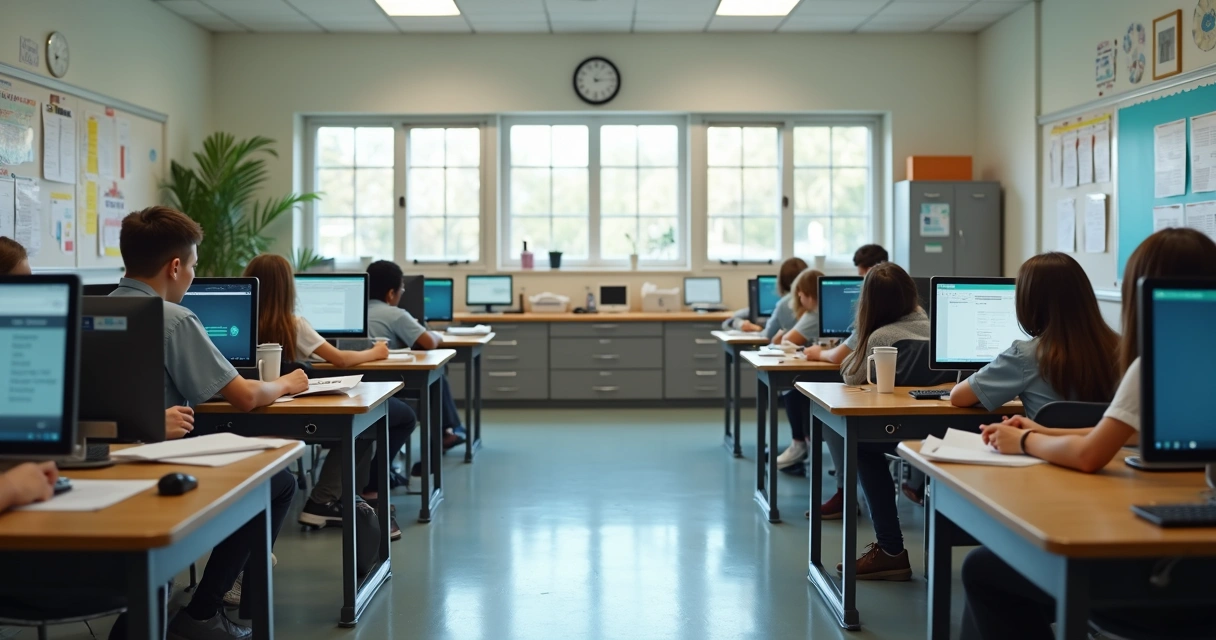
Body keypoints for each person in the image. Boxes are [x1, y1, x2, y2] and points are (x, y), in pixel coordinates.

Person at [963, 228, 1216, 640]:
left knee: (981, 569)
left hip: (1171, 590)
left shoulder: (1155, 363)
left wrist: (1024, 440)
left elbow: (1089, 456)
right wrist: (1045, 428)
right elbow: (1132, 433)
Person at [109, 206, 306, 640]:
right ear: (175, 266)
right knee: (279, 483)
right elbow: (245, 397)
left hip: (103, 459)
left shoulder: (93, 309)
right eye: (194, 266)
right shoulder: (174, 319)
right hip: (158, 462)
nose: (194, 276)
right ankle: (203, 612)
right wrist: (289, 382)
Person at [241, 254, 413, 539]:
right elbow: (341, 360)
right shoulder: (293, 324)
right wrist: (376, 352)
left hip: (258, 416)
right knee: (363, 423)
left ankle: (340, 496)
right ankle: (331, 498)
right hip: (301, 415)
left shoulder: (241, 322)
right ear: (288, 288)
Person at [834, 262, 930, 579]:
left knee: (862, 446)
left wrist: (863, 332)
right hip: (944, 429)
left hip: (898, 429)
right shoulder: (933, 325)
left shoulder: (883, 335)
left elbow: (850, 374)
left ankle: (891, 549)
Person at [950, 252, 1119, 417]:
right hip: (1113, 446)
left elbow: (958, 397)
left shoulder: (1026, 356)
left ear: (1029, 304)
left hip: (1046, 445)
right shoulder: (1121, 347)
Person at [364, 260, 467, 458]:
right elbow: (429, 342)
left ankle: (448, 431)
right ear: (391, 294)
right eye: (401, 290)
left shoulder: (354, 314)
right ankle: (446, 433)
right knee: (436, 378)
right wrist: (433, 332)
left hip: (356, 385)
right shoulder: (395, 314)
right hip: (386, 388)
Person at [775, 268, 824, 473]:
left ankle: (800, 443)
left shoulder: (814, 313)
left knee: (793, 390)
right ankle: (804, 440)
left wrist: (781, 336)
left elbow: (786, 341)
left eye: (801, 295)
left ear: (807, 294)